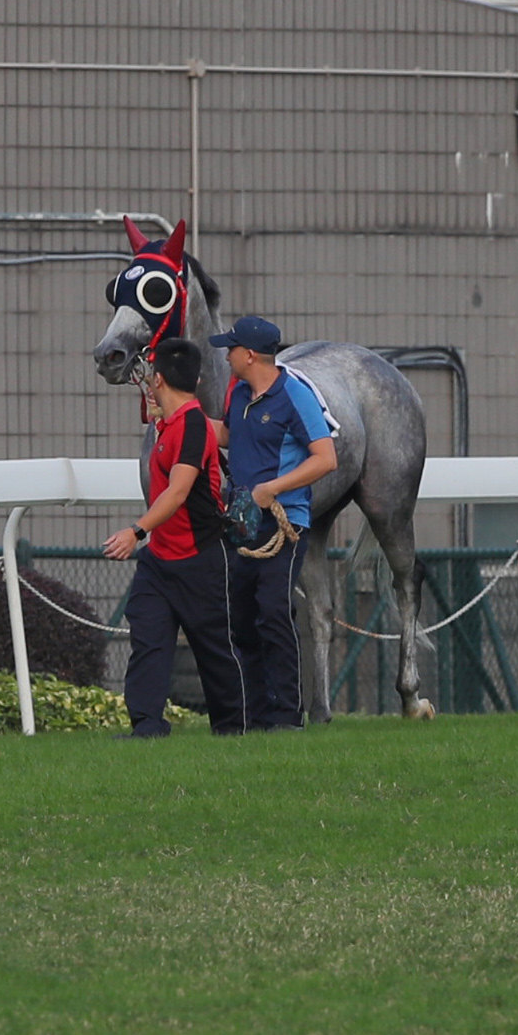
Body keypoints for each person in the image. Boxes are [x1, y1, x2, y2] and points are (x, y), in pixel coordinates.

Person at [102, 339, 248, 738]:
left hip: (199, 558)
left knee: (214, 648)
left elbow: (178, 491)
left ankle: (234, 727)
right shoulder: (168, 423)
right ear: (197, 379)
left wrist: (136, 531)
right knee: (148, 639)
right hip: (161, 560)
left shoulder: (192, 425)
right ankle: (147, 726)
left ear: (160, 379)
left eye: (151, 375)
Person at [207, 316, 336, 731]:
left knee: (273, 611)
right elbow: (226, 436)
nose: (225, 355)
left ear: (249, 354)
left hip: (284, 525)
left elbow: (325, 457)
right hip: (243, 522)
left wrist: (272, 489)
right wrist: (170, 412)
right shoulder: (240, 394)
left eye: (231, 348)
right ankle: (256, 713)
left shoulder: (294, 395)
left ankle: (285, 716)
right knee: (242, 616)